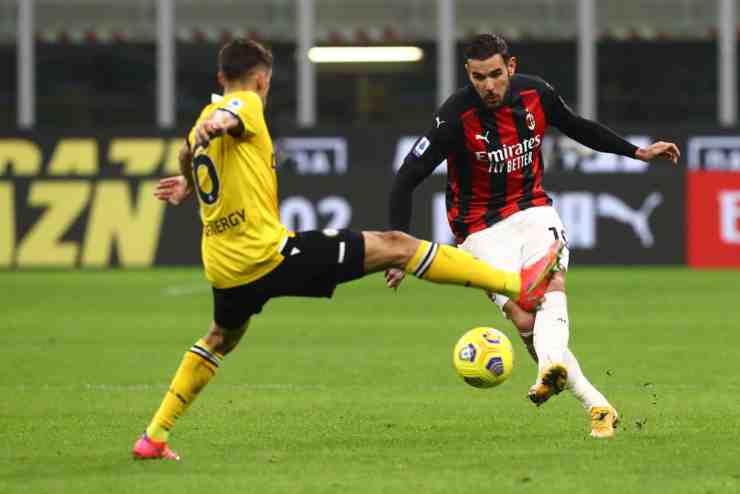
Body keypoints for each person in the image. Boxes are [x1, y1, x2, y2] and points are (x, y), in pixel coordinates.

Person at [132, 38, 561, 460]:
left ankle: (154, 436)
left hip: (225, 266)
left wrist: (189, 180)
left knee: (220, 338)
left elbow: (190, 148)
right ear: (263, 81)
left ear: (220, 76)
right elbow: (232, 114)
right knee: (396, 246)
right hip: (270, 257)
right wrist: (225, 119)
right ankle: (516, 284)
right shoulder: (245, 105)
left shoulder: (200, 119)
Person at [386, 34, 680, 438]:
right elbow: (406, 178)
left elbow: (578, 127)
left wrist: (637, 152)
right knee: (524, 317)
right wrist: (397, 249)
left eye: (494, 74)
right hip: (478, 230)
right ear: (467, 76)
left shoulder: (536, 94)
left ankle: (550, 371)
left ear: (509, 66)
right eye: (477, 78)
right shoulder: (454, 117)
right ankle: (598, 405)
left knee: (551, 283)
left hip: (533, 209)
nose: (488, 86)